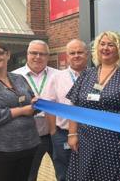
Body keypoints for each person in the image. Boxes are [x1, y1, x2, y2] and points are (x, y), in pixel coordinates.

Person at [65, 31, 120, 181]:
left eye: (111, 44)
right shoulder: (87, 73)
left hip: (114, 139)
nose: (105, 48)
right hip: (85, 140)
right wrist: (72, 134)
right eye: (102, 44)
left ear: (119, 48)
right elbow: (74, 105)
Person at [0, 42, 40, 181]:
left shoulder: (19, 79)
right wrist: (22, 110)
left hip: (27, 145)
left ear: (7, 55)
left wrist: (36, 103)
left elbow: (31, 101)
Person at [42, 39, 89, 181]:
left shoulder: (96, 75)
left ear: (87, 55)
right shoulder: (57, 77)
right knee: (64, 172)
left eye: (80, 52)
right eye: (72, 53)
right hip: (63, 133)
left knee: (89, 170)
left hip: (91, 134)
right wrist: (53, 132)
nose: (76, 56)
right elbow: (48, 105)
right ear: (67, 56)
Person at [12, 39, 59, 181]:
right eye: (34, 53)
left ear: (48, 56)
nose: (38, 57)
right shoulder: (14, 77)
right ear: (27, 54)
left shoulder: (58, 75)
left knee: (64, 171)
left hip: (56, 131)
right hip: (28, 133)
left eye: (42, 54)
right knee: (28, 175)